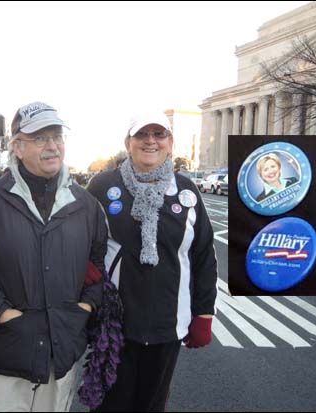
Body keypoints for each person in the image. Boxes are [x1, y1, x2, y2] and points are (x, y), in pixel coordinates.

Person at [0, 101, 107, 412]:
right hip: (6, 355)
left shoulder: (85, 205)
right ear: (17, 147)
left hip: (61, 355)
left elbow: (99, 265)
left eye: (57, 137)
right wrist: (1, 313)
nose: (52, 147)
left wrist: (85, 307)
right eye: (40, 138)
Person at [87, 113, 218, 412]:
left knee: (151, 405)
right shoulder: (103, 185)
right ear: (128, 143)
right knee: (111, 405)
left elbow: (203, 256)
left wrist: (204, 314)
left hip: (168, 324)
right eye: (142, 134)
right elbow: (81, 246)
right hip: (114, 324)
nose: (151, 141)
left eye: (159, 134)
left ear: (170, 143)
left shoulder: (187, 192)